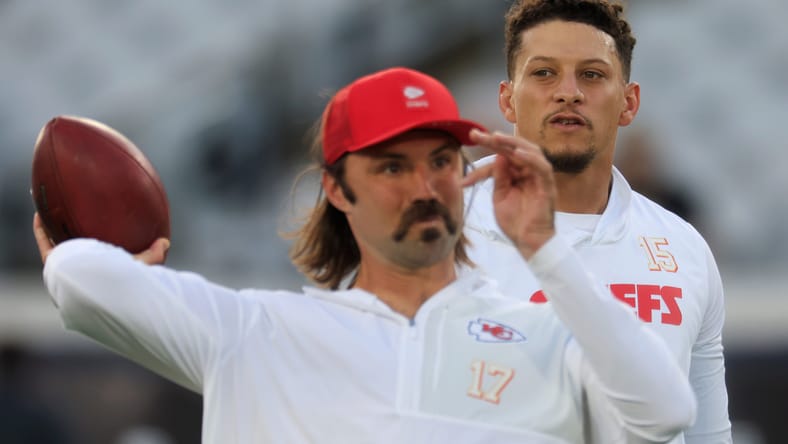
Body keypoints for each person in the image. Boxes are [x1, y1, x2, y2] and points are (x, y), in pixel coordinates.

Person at [34, 67, 695, 443]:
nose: (426, 187)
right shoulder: (257, 333)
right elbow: (76, 272)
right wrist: (126, 267)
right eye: (392, 167)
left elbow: (666, 413)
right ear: (336, 189)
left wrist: (545, 249)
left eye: (441, 161)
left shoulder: (548, 337)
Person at [463, 1, 730, 443]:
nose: (568, 92)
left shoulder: (685, 249)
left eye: (591, 74)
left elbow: (707, 433)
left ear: (629, 102)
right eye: (544, 73)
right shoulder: (443, 230)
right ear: (507, 100)